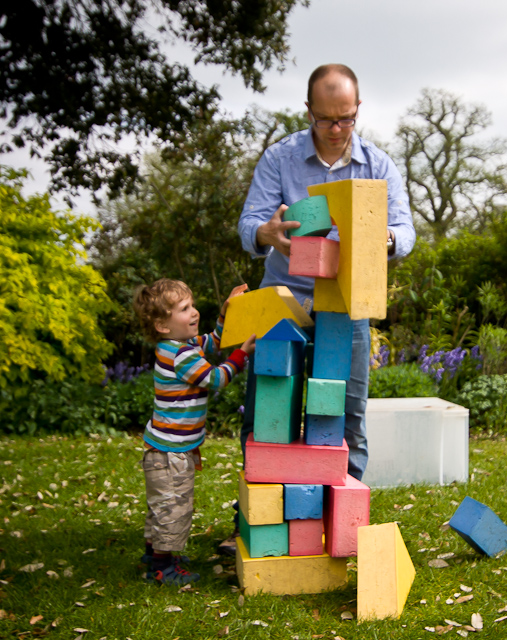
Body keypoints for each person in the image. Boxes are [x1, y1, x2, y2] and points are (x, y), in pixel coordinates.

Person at [237, 63, 416, 479]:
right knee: (267, 413)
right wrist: (267, 233)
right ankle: (254, 519)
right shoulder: (279, 158)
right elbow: (249, 224)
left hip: (348, 303)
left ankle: (342, 519)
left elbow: (406, 231)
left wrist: (383, 237)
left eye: (346, 118)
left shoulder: (379, 165)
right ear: (307, 111)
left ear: (358, 109)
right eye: (325, 119)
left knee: (346, 418)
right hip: (284, 296)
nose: (336, 129)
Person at [133, 278, 255, 585]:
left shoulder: (181, 346)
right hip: (170, 452)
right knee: (173, 507)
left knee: (163, 505)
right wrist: (240, 356)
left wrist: (226, 314)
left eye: (192, 305)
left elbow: (212, 342)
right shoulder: (181, 355)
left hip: (167, 448)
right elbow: (214, 379)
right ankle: (162, 568)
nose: (194, 312)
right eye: (185, 308)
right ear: (162, 324)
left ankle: (156, 554)